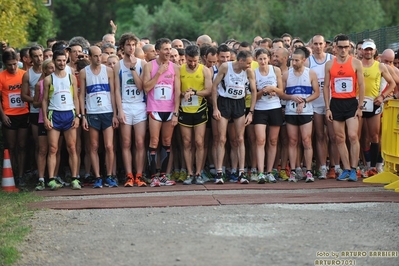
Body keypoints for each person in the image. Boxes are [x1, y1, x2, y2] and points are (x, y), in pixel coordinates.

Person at [324, 34, 365, 182]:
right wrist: (328, 108)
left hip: (351, 103)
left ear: (350, 47)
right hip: (336, 103)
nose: (343, 49)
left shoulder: (356, 63)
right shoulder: (329, 64)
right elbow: (326, 86)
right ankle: (346, 168)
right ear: (335, 48)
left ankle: (354, 169)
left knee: (353, 136)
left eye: (346, 47)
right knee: (339, 138)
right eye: (340, 47)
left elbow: (361, 85)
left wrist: (360, 107)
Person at [212, 50, 257, 184]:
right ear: (241, 61)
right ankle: (219, 172)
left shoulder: (249, 71)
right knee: (221, 138)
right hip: (225, 102)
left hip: (239, 103)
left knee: (240, 138)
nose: (250, 65)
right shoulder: (226, 67)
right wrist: (215, 108)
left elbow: (254, 91)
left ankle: (241, 172)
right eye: (248, 63)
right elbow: (214, 87)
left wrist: (251, 112)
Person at [143, 38, 180, 187]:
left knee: (166, 142)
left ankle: (163, 175)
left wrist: (176, 112)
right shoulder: (149, 66)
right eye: (165, 49)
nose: (168, 52)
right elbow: (146, 87)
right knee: (154, 141)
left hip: (169, 109)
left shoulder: (175, 67)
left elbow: (177, 92)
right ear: (157, 51)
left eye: (169, 49)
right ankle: (153, 176)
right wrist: (159, 73)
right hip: (155, 108)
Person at [79, 46, 119, 188]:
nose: (97, 58)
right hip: (92, 112)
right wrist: (82, 116)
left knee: (109, 146)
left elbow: (114, 93)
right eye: (94, 56)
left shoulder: (108, 71)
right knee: (94, 146)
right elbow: (81, 94)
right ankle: (97, 177)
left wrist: (115, 114)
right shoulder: (84, 72)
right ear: (89, 57)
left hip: (107, 111)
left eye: (99, 55)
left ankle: (109, 175)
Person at [42, 50, 81, 190]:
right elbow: (44, 100)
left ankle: (75, 178)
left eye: (64, 60)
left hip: (69, 114)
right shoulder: (48, 79)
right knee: (53, 148)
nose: (62, 63)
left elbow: (76, 98)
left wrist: (78, 116)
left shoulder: (72, 78)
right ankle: (51, 179)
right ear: (54, 61)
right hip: (55, 114)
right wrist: (46, 118)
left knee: (72, 148)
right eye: (59, 60)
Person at [114, 33, 148, 187]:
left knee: (140, 142)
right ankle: (129, 175)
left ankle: (139, 175)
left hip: (140, 105)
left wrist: (134, 69)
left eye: (133, 45)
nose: (131, 47)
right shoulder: (117, 65)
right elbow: (116, 90)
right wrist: (119, 111)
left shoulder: (143, 63)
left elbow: (142, 87)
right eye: (128, 45)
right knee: (126, 142)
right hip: (125, 106)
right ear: (123, 47)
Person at [282, 47, 320, 183]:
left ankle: (308, 171)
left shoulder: (311, 74)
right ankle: (293, 171)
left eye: (297, 60)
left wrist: (304, 101)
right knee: (292, 141)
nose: (294, 63)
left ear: (304, 60)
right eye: (292, 60)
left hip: (306, 111)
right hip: (291, 111)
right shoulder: (286, 74)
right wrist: (291, 97)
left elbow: (316, 92)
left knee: (306, 140)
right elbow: (281, 93)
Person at [360, 40, 395, 176]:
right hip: (358, 103)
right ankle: (367, 165)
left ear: (374, 51)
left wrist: (382, 96)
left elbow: (392, 83)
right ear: (362, 51)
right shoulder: (356, 64)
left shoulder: (380, 66)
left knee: (374, 136)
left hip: (373, 104)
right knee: (359, 137)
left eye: (370, 50)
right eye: (366, 50)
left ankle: (376, 166)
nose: (368, 52)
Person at [178, 45, 212, 185]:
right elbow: (176, 90)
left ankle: (198, 172)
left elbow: (208, 90)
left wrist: (195, 93)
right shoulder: (179, 70)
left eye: (195, 61)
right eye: (190, 60)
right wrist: (183, 93)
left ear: (200, 59)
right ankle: (189, 173)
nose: (192, 63)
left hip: (200, 109)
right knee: (186, 143)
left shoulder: (204, 70)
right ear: (185, 58)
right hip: (184, 110)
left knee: (199, 142)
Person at [306, 34, 338, 179]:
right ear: (311, 45)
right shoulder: (308, 62)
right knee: (319, 136)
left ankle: (334, 166)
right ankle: (322, 167)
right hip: (315, 103)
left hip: (331, 102)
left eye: (320, 44)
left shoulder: (332, 59)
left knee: (333, 136)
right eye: (315, 44)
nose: (318, 47)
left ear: (325, 45)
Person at [253, 48, 283, 183]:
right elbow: (254, 95)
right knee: (260, 140)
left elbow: (281, 91)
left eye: (265, 58)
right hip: (260, 109)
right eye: (260, 59)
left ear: (269, 59)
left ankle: (269, 171)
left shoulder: (275, 70)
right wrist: (263, 91)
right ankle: (260, 172)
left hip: (274, 107)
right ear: (256, 59)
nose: (263, 61)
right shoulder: (253, 73)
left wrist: (273, 90)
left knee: (273, 141)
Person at [0, 50, 29, 186]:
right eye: (9, 65)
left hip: (24, 113)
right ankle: (11, 173)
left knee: (22, 146)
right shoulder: (1, 77)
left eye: (14, 64)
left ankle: (21, 175)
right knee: (11, 146)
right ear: (5, 64)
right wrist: (3, 115)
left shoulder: (24, 74)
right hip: (9, 115)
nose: (12, 67)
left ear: (18, 62)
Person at [32, 59, 57, 190]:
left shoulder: (59, 82)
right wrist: (43, 101)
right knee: (42, 150)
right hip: (43, 119)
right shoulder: (39, 84)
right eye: (50, 68)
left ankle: (54, 176)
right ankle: (41, 179)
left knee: (55, 149)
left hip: (57, 119)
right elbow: (35, 103)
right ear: (45, 70)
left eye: (54, 68)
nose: (52, 70)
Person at [21, 46, 44, 177]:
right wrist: (36, 102)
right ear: (30, 58)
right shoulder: (27, 74)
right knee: (38, 144)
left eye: (40, 55)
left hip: (51, 110)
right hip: (35, 111)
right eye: (35, 56)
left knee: (53, 145)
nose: (39, 58)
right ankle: (38, 172)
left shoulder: (49, 70)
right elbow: (23, 95)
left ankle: (54, 173)